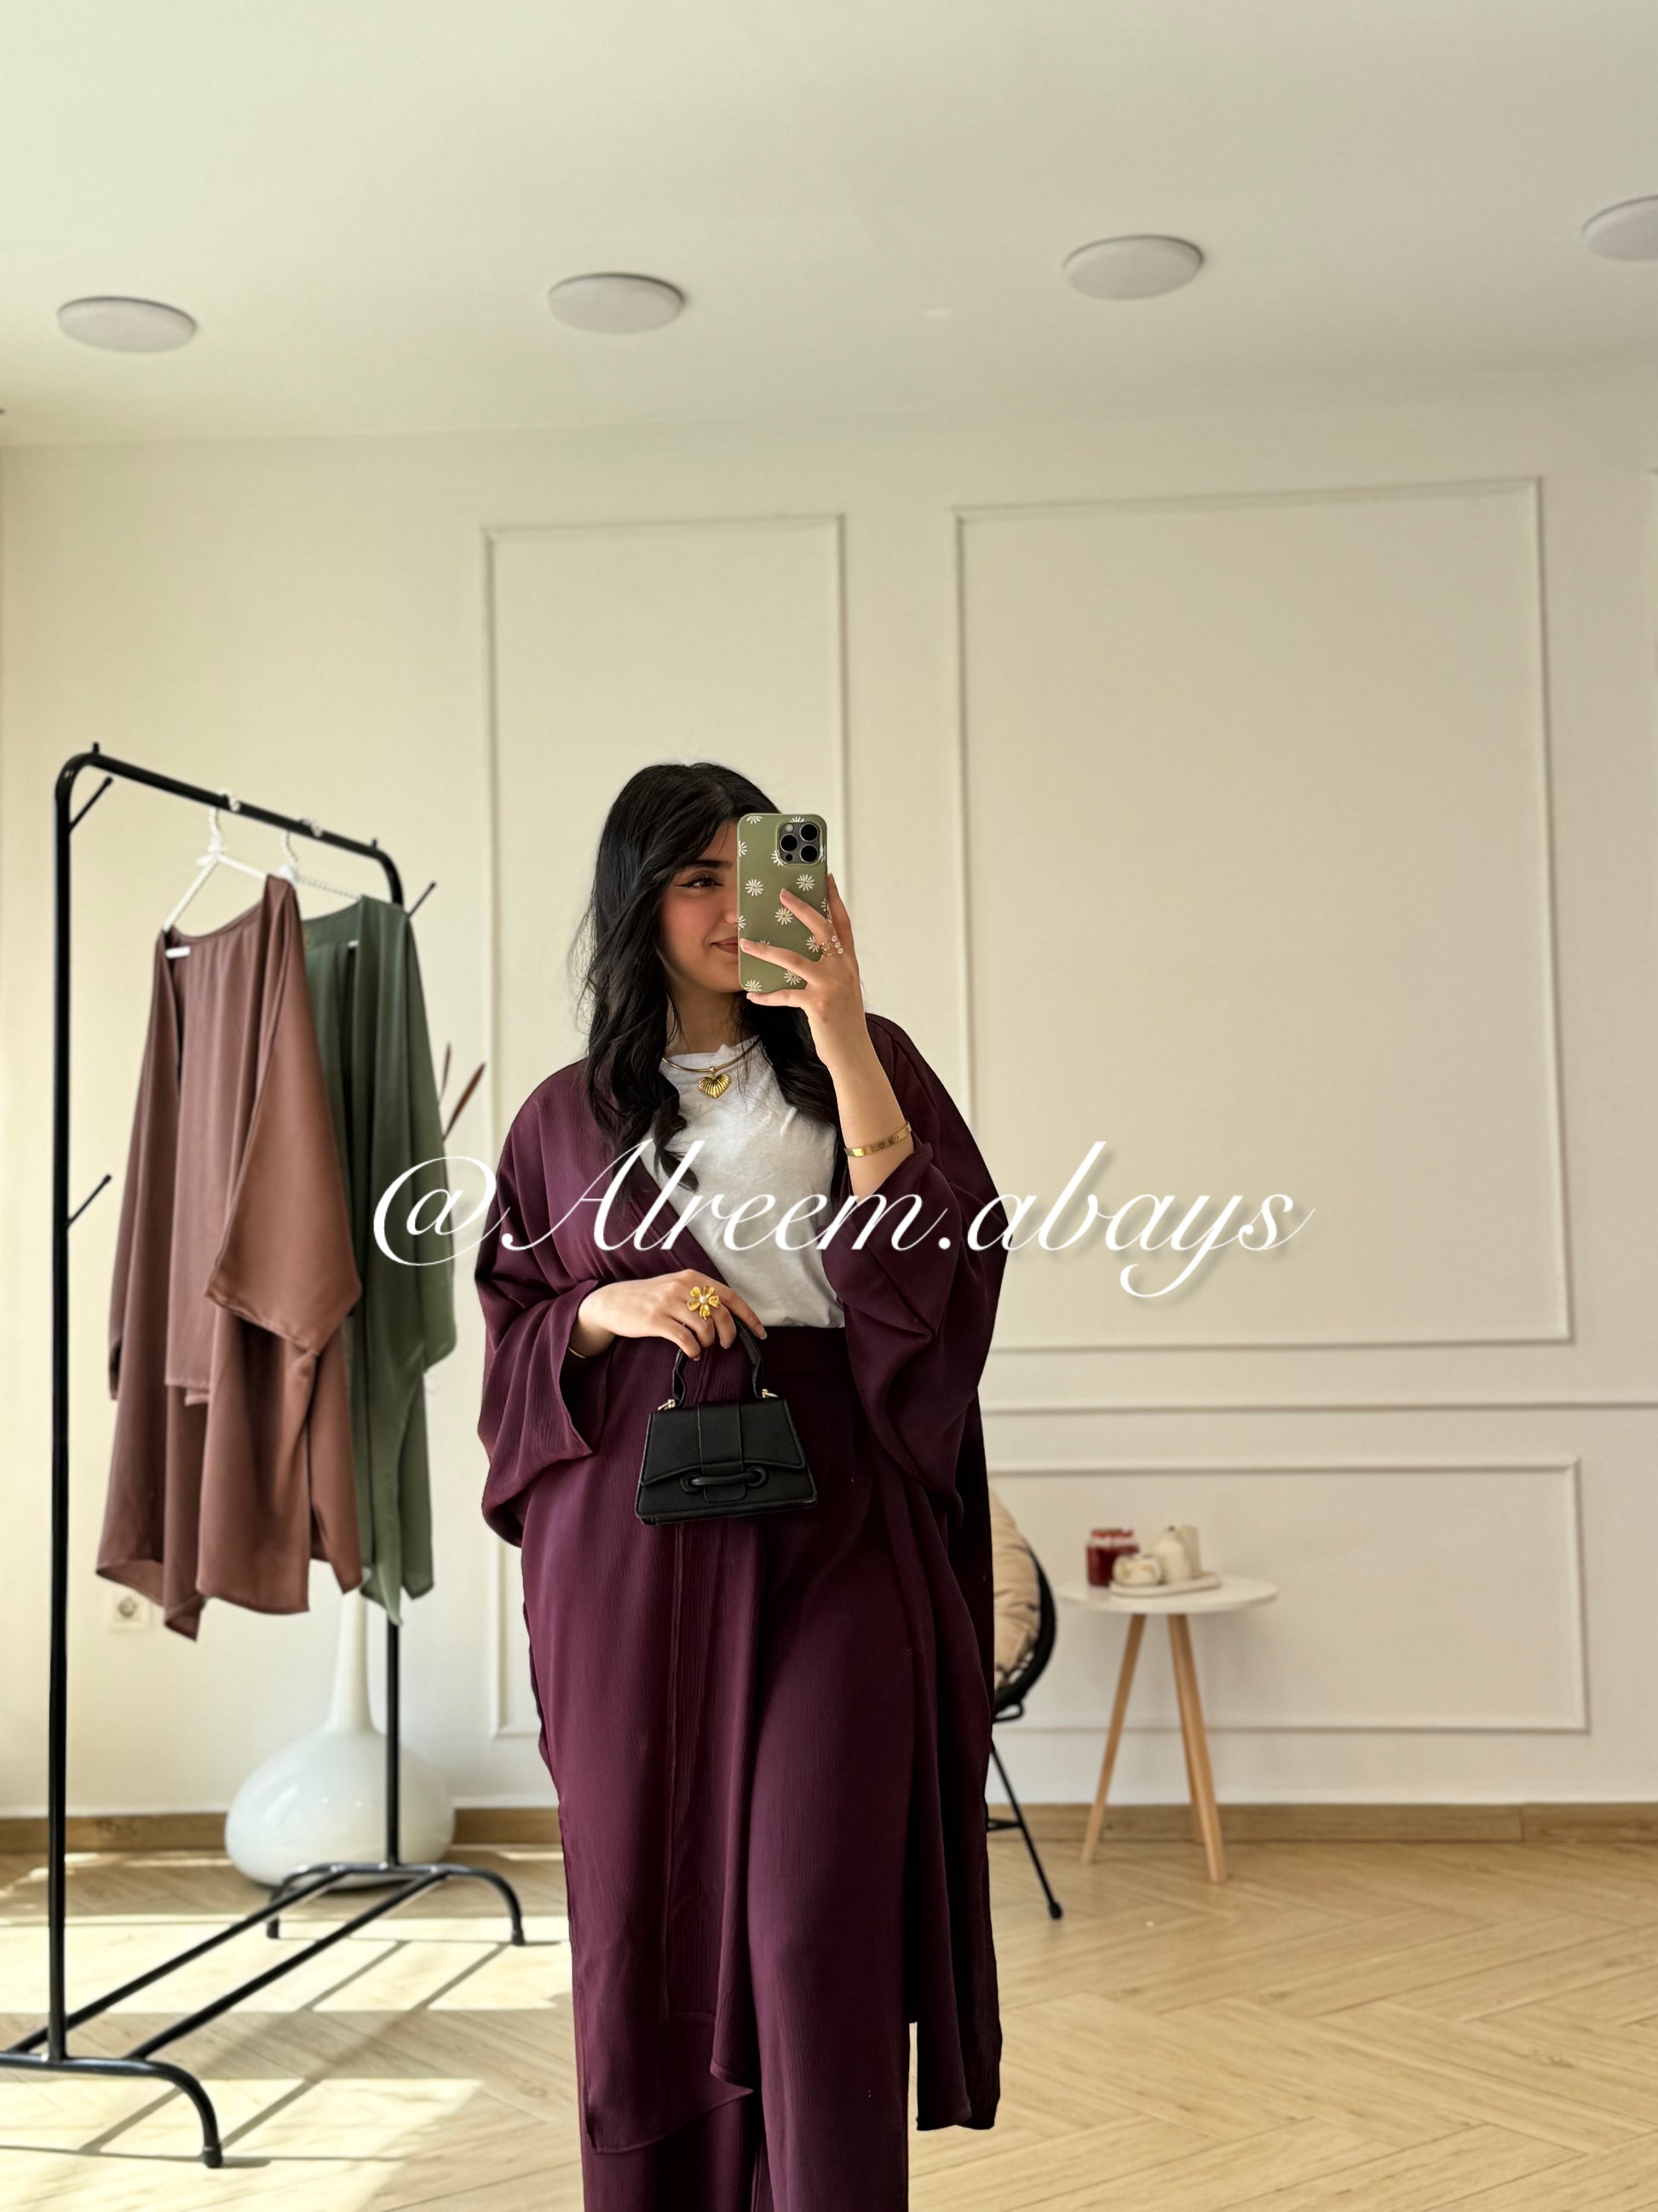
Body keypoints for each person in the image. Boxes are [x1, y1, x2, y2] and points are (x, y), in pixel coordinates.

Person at [474, 763, 1010, 2212]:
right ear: (636, 902)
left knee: (811, 1924)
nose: (728, 909)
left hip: (839, 1516)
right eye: (694, 880)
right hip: (632, 1542)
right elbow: (514, 1322)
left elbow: (946, 1273)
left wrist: (840, 1029)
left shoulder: (866, 1058)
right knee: (641, 1920)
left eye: (750, 873)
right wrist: (606, 1309)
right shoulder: (559, 1117)